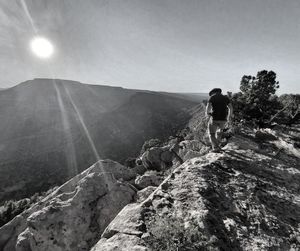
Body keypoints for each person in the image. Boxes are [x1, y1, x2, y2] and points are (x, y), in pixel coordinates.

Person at [205, 88, 233, 152]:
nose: (212, 94)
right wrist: (229, 116)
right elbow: (230, 108)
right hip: (223, 119)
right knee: (219, 132)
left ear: (214, 92)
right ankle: (218, 146)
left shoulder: (212, 97)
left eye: (212, 93)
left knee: (211, 133)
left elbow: (208, 107)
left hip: (214, 118)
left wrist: (207, 114)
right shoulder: (226, 98)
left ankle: (215, 147)